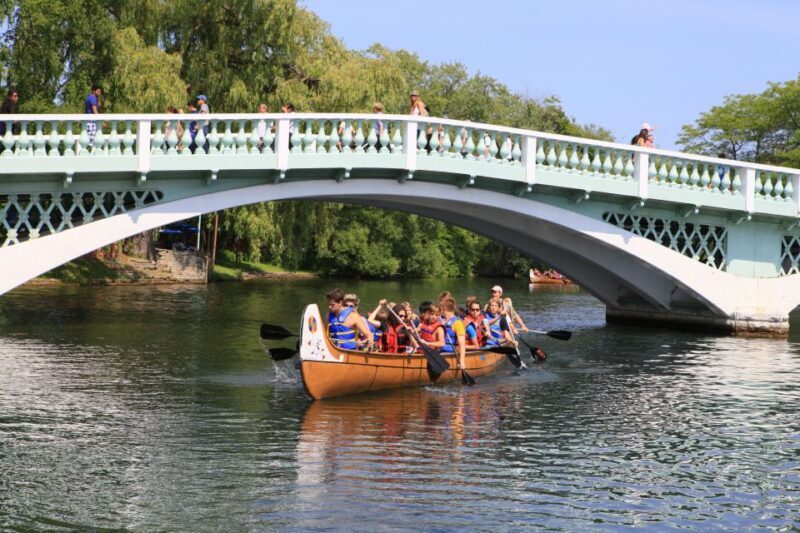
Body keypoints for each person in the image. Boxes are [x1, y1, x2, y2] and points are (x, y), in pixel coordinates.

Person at [440, 296, 467, 370]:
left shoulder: (457, 323)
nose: (439, 310)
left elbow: (462, 344)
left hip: (449, 352)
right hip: (439, 350)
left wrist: (462, 361)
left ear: (444, 308)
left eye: (440, 308)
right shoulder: (441, 320)